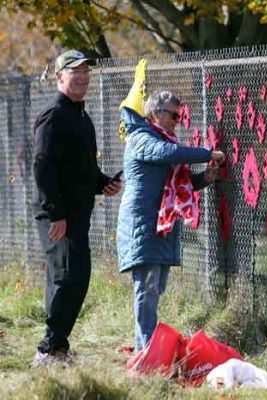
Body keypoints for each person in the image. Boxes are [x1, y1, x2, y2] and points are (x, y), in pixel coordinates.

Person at [32, 49, 122, 365]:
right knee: (70, 276)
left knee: (69, 277)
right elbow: (42, 166)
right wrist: (54, 212)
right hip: (58, 216)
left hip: (77, 215)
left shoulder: (82, 117)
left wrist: (103, 183)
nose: (82, 77)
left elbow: (82, 168)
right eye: (75, 72)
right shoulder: (54, 114)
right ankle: (48, 351)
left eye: (86, 72)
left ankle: (56, 347)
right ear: (59, 77)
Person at [117, 90, 225, 352]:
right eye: (174, 115)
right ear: (155, 113)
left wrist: (205, 178)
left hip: (161, 225)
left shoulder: (165, 138)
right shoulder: (141, 138)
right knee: (147, 288)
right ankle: (146, 351)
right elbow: (166, 153)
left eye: (181, 115)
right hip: (143, 223)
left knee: (156, 288)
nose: (178, 120)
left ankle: (146, 346)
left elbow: (179, 182)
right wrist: (207, 153)